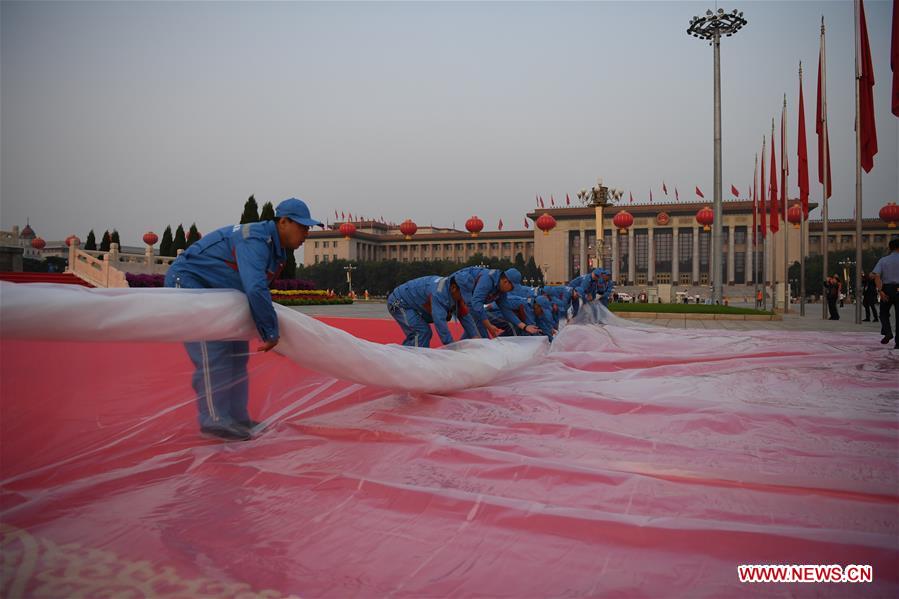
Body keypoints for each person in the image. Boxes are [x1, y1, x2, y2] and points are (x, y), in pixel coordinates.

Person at [164, 197, 321, 441]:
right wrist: (270, 332)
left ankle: (237, 418)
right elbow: (256, 287)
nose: (306, 234)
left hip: (220, 294)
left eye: (308, 228)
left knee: (236, 358)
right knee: (213, 353)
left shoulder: (275, 250)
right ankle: (214, 420)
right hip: (189, 284)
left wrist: (269, 329)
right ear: (284, 222)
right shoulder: (256, 240)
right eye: (302, 227)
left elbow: (257, 290)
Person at [387, 275, 479, 347]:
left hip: (415, 304)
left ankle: (408, 357)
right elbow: (440, 322)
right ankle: (412, 363)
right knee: (421, 332)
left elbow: (465, 316)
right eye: (464, 293)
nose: (465, 297)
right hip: (399, 302)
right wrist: (452, 347)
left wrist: (475, 337)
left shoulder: (455, 293)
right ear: (454, 288)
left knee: (422, 333)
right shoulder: (439, 294)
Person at [451, 266, 539, 338]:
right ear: (505, 282)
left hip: (470, 302)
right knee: (482, 332)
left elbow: (505, 309)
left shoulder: (501, 290)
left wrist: (525, 327)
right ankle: (456, 350)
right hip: (456, 293)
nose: (511, 290)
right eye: (512, 287)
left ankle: (461, 350)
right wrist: (489, 326)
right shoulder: (487, 280)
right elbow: (476, 304)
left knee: (478, 329)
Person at [872, 238, 899, 348]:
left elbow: (876, 275)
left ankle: (888, 332)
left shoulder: (884, 260)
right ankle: (898, 343)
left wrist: (881, 291)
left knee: (883, 313)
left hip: (887, 289)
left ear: (890, 248)